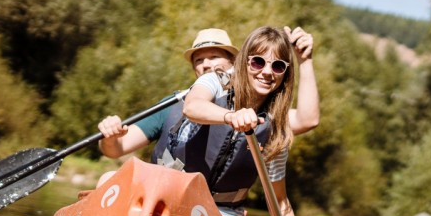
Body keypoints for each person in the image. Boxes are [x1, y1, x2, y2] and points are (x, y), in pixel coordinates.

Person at [173, 26, 310, 216]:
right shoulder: (214, 81)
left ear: (284, 75)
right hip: (177, 195)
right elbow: (192, 105)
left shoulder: (275, 129)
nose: (267, 72)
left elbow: (280, 202)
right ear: (244, 61)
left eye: (278, 66)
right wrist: (230, 116)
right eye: (258, 62)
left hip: (224, 213)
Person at [96, 26, 319, 160]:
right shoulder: (174, 105)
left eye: (213, 57)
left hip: (213, 211)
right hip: (170, 197)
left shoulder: (259, 113)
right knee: (108, 178)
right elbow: (116, 150)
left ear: (235, 62)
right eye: (199, 60)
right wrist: (110, 138)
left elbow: (307, 120)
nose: (205, 65)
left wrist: (304, 60)